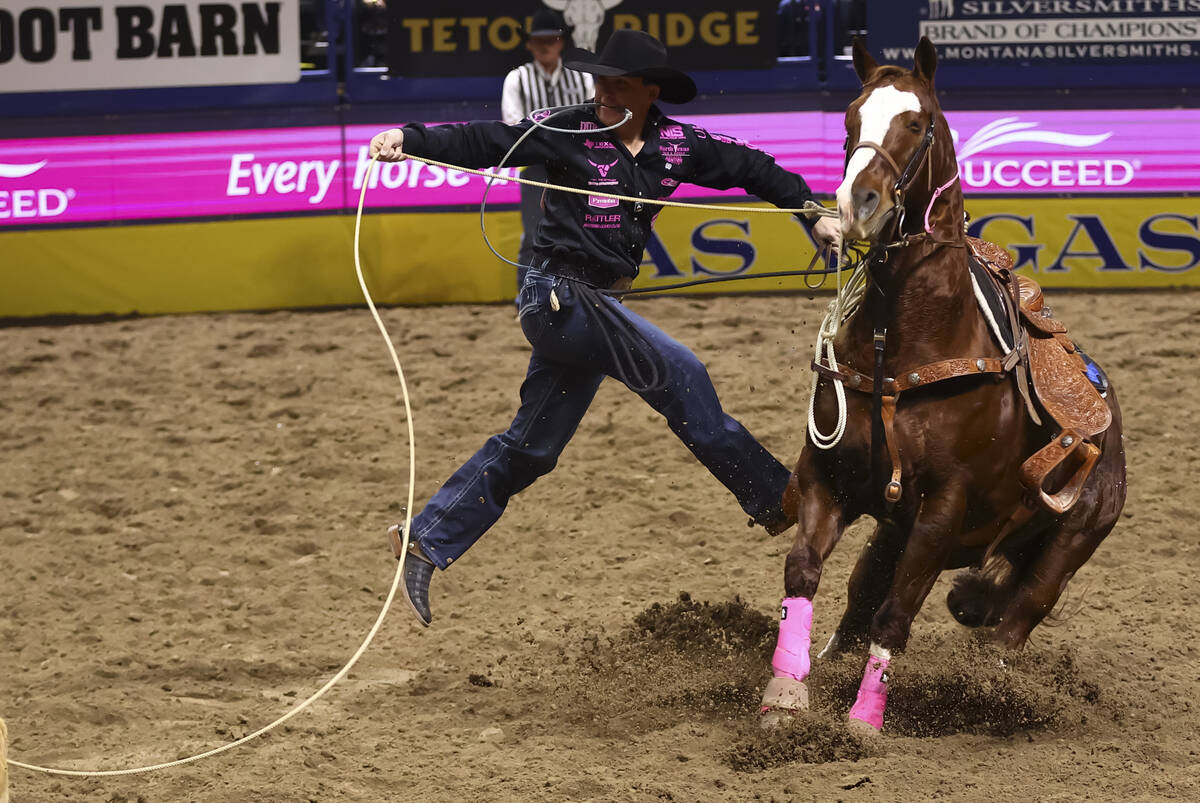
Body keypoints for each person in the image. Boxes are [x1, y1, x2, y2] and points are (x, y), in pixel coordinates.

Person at [369, 29, 842, 627]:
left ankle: (425, 539)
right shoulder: (565, 130)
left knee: (533, 447)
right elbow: (486, 138)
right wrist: (406, 137)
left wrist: (813, 215)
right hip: (557, 295)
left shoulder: (678, 145)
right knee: (680, 371)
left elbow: (756, 170)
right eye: (601, 81)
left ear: (650, 90)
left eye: (620, 83)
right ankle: (777, 498)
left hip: (592, 308)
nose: (606, 93)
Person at [501, 8, 594, 286]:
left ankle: (581, 292)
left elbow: (592, 119)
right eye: (538, 40)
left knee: (584, 230)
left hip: (578, 164)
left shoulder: (582, 77)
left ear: (561, 42)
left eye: (551, 39)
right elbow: (513, 125)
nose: (545, 46)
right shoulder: (517, 78)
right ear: (529, 43)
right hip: (536, 166)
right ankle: (525, 295)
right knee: (533, 233)